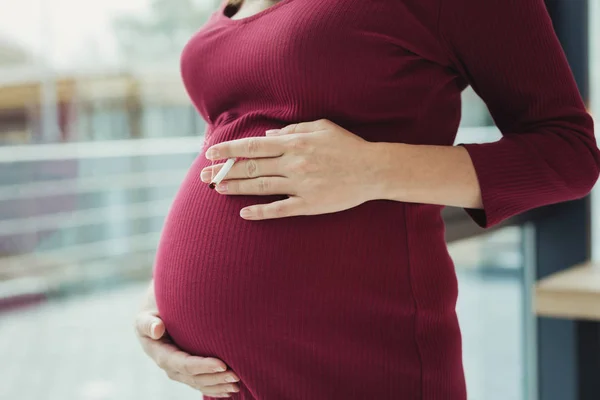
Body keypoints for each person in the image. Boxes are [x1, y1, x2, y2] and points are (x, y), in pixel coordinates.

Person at [134, 0, 600, 398]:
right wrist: (167, 308)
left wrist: (370, 170)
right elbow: (240, 134)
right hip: (230, 383)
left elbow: (569, 155)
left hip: (361, 365)